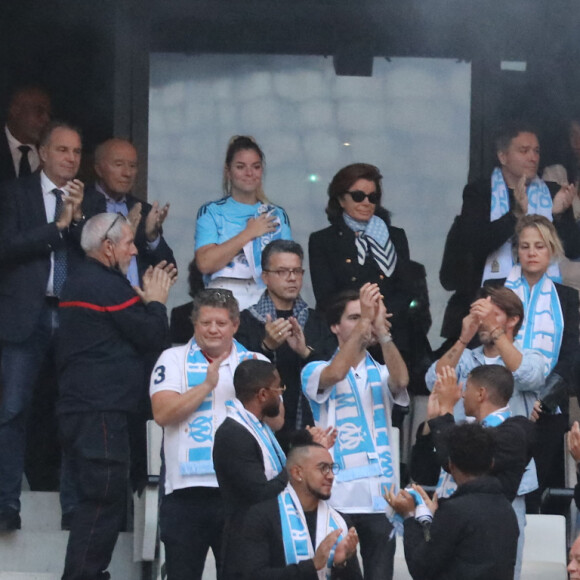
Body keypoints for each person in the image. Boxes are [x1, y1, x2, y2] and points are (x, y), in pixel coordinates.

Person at [56, 212, 175, 580]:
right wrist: (155, 302)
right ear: (108, 247)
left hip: (84, 409)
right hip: (101, 409)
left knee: (97, 496)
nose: (134, 249)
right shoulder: (105, 285)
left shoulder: (83, 281)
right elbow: (153, 336)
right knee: (104, 496)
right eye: (128, 242)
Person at [0, 120, 85, 531]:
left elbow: (101, 256)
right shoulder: (15, 194)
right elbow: (7, 246)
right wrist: (58, 227)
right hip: (25, 317)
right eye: (63, 150)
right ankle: (5, 505)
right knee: (13, 410)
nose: (71, 158)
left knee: (72, 412)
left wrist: (82, 221)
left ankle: (72, 508)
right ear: (44, 153)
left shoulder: (87, 201)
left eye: (77, 152)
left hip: (71, 316)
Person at [149, 288, 267, 580]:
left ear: (235, 326)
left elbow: (276, 423)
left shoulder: (254, 361)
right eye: (205, 323)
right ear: (194, 324)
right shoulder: (172, 358)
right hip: (184, 492)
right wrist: (206, 386)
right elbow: (162, 414)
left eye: (221, 323)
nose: (213, 329)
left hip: (238, 493)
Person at [302, 283, 409, 580]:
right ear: (335, 326)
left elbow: (401, 381)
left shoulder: (383, 369)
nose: (363, 322)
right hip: (336, 497)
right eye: (353, 317)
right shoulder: (314, 369)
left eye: (365, 316)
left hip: (379, 497)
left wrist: (381, 330)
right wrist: (366, 320)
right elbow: (335, 374)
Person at [439, 121, 580, 343]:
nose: (533, 157)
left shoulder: (552, 192)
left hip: (543, 298)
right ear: (503, 156)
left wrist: (559, 215)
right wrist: (514, 215)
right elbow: (474, 245)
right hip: (492, 299)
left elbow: (572, 249)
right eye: (524, 151)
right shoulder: (480, 192)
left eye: (536, 151)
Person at [308, 162, 430, 390]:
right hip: (346, 341)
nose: (366, 202)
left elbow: (407, 290)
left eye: (372, 197)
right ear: (340, 199)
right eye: (358, 196)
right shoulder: (323, 240)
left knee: (394, 413)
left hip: (390, 337)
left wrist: (379, 323)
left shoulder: (396, 236)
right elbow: (326, 297)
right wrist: (361, 321)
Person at [485, 215, 579, 505]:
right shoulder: (496, 289)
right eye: (525, 246)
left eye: (539, 246)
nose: (531, 253)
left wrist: (545, 399)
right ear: (517, 251)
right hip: (497, 402)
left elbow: (572, 354)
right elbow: (485, 344)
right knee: (494, 482)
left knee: (537, 492)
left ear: (551, 250)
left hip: (546, 410)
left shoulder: (566, 297)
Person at [411, 365, 535, 580]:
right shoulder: (464, 430)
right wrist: (431, 423)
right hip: (449, 525)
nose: (461, 394)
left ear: (481, 394)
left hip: (490, 538)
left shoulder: (514, 429)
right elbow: (423, 473)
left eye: (466, 387)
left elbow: (461, 455)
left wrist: (446, 413)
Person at [387, 423, 519, 580]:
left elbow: (421, 567)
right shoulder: (507, 509)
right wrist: (433, 518)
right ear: (491, 463)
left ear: (451, 465)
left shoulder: (455, 512)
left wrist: (409, 516)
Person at [235, 240, 337, 435]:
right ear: (265, 277)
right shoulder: (246, 321)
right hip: (259, 430)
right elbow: (238, 375)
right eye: (282, 271)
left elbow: (333, 372)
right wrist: (266, 346)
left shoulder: (318, 321)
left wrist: (305, 352)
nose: (292, 278)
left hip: (310, 429)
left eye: (297, 271)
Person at [239, 441, 362, 580]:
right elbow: (253, 576)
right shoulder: (262, 516)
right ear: (297, 473)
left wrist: (340, 564)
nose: (331, 475)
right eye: (323, 468)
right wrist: (312, 566)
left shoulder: (340, 521)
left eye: (332, 468)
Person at [195, 135, 292, 310]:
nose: (249, 173)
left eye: (255, 167)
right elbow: (205, 263)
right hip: (221, 300)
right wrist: (249, 234)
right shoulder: (212, 211)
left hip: (266, 299)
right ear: (228, 171)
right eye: (241, 167)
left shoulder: (276, 214)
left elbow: (288, 266)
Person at [213, 359, 290, 579]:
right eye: (279, 389)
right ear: (263, 394)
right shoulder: (233, 434)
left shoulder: (259, 426)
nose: (281, 395)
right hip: (245, 550)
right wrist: (294, 468)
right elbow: (259, 493)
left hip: (267, 538)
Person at [426, 285, 545, 420]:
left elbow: (527, 377)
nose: (483, 322)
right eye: (480, 315)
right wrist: (463, 340)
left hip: (508, 438)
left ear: (513, 320)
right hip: (463, 438)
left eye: (493, 315)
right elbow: (434, 382)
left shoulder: (531, 357)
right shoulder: (466, 357)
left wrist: (494, 328)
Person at [82, 138, 175, 285]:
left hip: (137, 304)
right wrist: (126, 229)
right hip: (98, 301)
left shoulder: (144, 211)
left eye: (132, 166)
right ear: (99, 169)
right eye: (118, 165)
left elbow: (170, 270)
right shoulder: (82, 204)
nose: (127, 173)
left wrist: (152, 236)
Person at [0, 86, 51, 182]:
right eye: (39, 111)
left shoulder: (51, 153)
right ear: (15, 110)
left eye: (48, 114)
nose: (46, 119)